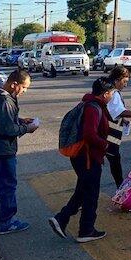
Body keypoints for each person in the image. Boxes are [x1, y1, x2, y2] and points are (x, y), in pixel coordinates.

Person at [49, 78, 113, 243]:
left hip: (85, 156)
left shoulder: (91, 104)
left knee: (83, 190)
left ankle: (64, 220)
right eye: (112, 93)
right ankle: (84, 229)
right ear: (105, 93)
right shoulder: (93, 108)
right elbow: (89, 134)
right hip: (87, 157)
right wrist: (104, 144)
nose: (112, 96)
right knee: (90, 193)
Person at [0, 69, 38, 235]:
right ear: (14, 84)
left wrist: (20, 120)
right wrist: (27, 128)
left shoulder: (2, 96)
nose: (25, 91)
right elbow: (7, 129)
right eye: (24, 87)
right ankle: (7, 222)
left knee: (1, 181)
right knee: (7, 185)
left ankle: (6, 220)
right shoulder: (3, 100)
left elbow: (3, 120)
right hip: (0, 149)